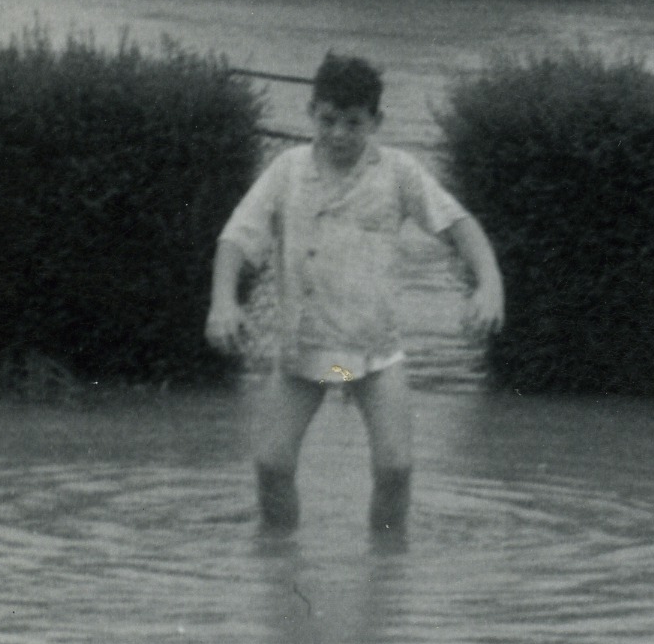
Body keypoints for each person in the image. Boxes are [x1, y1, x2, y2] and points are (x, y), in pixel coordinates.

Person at [206, 52, 504, 535]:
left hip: (371, 355)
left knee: (396, 468)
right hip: (305, 351)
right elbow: (236, 238)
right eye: (328, 120)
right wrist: (223, 300)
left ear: (376, 122)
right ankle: (279, 560)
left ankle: (387, 564)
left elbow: (460, 226)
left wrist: (490, 285)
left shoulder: (399, 172)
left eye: (353, 122)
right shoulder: (287, 170)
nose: (339, 134)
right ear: (311, 113)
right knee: (272, 465)